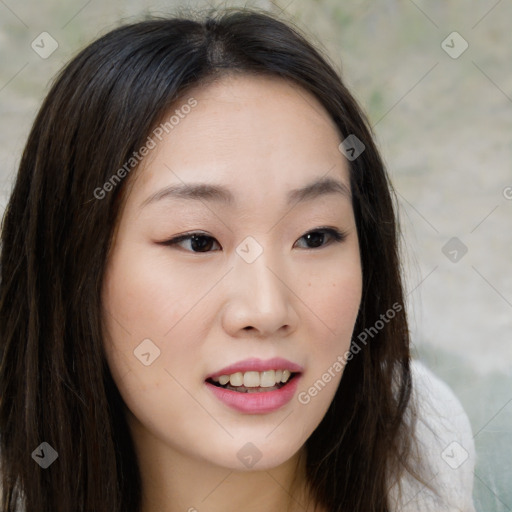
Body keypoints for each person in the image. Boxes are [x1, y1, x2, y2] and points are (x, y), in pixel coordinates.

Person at [0, 7, 476, 512]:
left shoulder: (421, 441)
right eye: (198, 241)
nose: (267, 310)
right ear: (73, 265)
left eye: (315, 236)